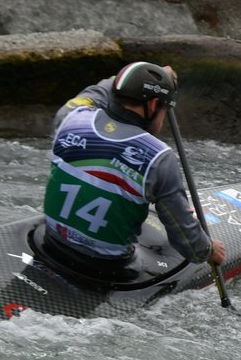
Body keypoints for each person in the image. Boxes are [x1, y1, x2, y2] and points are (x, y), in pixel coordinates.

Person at [41, 62, 223, 276]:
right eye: (165, 109)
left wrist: (134, 78)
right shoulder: (159, 158)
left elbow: (97, 91)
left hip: (53, 242)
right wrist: (209, 251)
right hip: (105, 265)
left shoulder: (71, 116)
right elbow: (187, 242)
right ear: (154, 105)